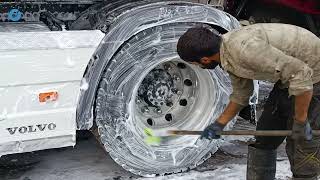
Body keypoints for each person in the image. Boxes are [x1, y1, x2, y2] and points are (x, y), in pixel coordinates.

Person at [177, 23, 320, 180]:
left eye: (195, 64)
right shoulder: (226, 54)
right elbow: (242, 94)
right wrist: (219, 124)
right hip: (292, 76)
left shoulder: (246, 51)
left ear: (204, 59)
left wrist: (300, 120)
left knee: (302, 142)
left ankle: (306, 175)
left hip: (313, 74)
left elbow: (302, 74)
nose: (198, 67)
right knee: (266, 134)